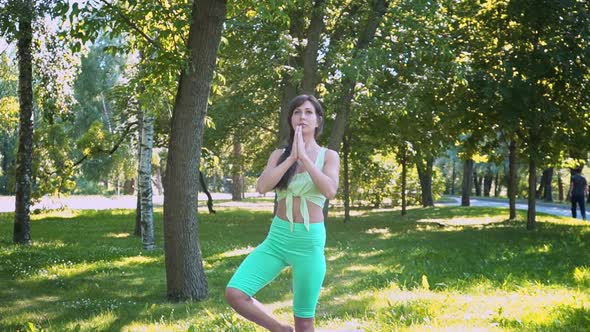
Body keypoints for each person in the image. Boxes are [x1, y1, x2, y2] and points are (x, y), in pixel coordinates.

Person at [225, 94, 340, 332]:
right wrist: (291, 159)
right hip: (277, 240)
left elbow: (329, 190)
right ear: (290, 119)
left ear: (318, 121)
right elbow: (262, 186)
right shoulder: (279, 155)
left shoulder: (328, 156)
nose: (302, 117)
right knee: (235, 293)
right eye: (297, 112)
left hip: (308, 243)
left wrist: (305, 159)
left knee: (305, 322)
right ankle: (280, 330)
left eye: (308, 112)